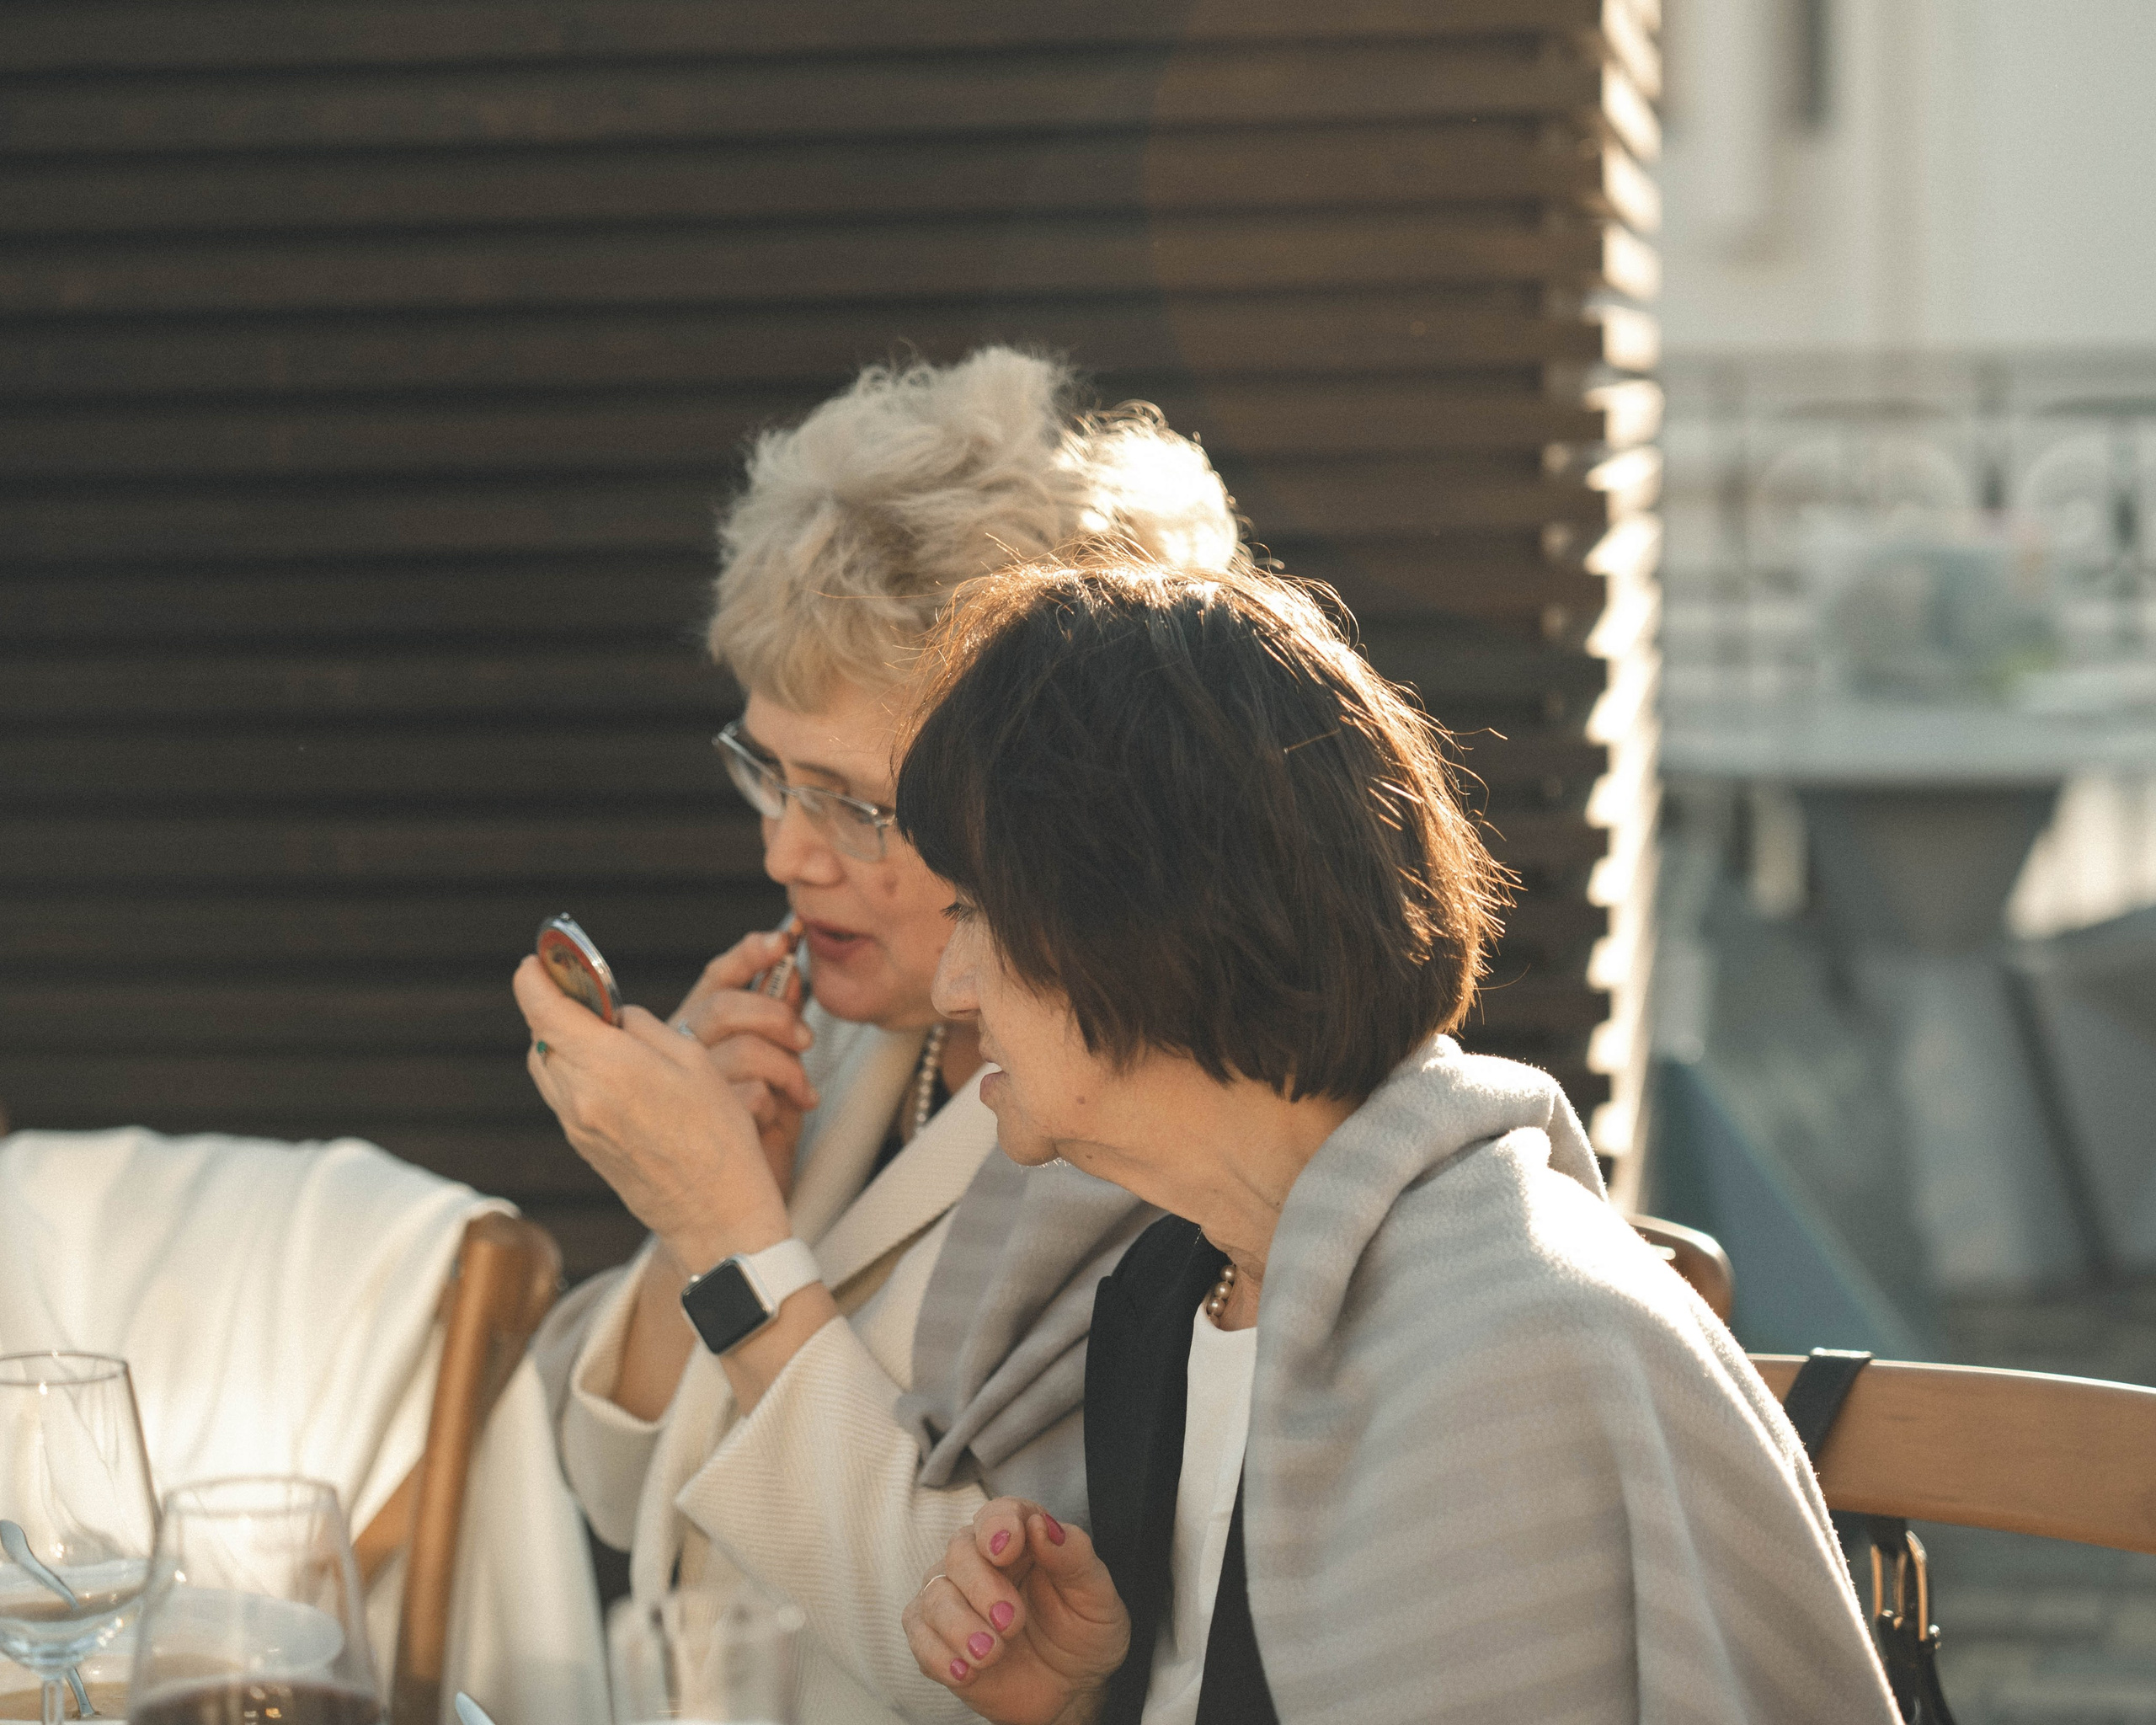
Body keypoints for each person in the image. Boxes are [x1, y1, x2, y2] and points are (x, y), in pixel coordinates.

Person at [894, 563, 1902, 1724]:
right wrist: (1078, 1702)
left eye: (974, 914)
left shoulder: (1516, 1361)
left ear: (1129, 921)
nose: (949, 986)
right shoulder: (1173, 1293)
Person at [514, 350, 1243, 1722]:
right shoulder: (856, 1045)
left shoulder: (1169, 1139)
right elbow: (616, 1500)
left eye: (855, 804)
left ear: (1064, 810)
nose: (787, 852)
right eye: (766, 775)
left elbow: (1007, 1663)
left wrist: (733, 1240)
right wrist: (708, 1207)